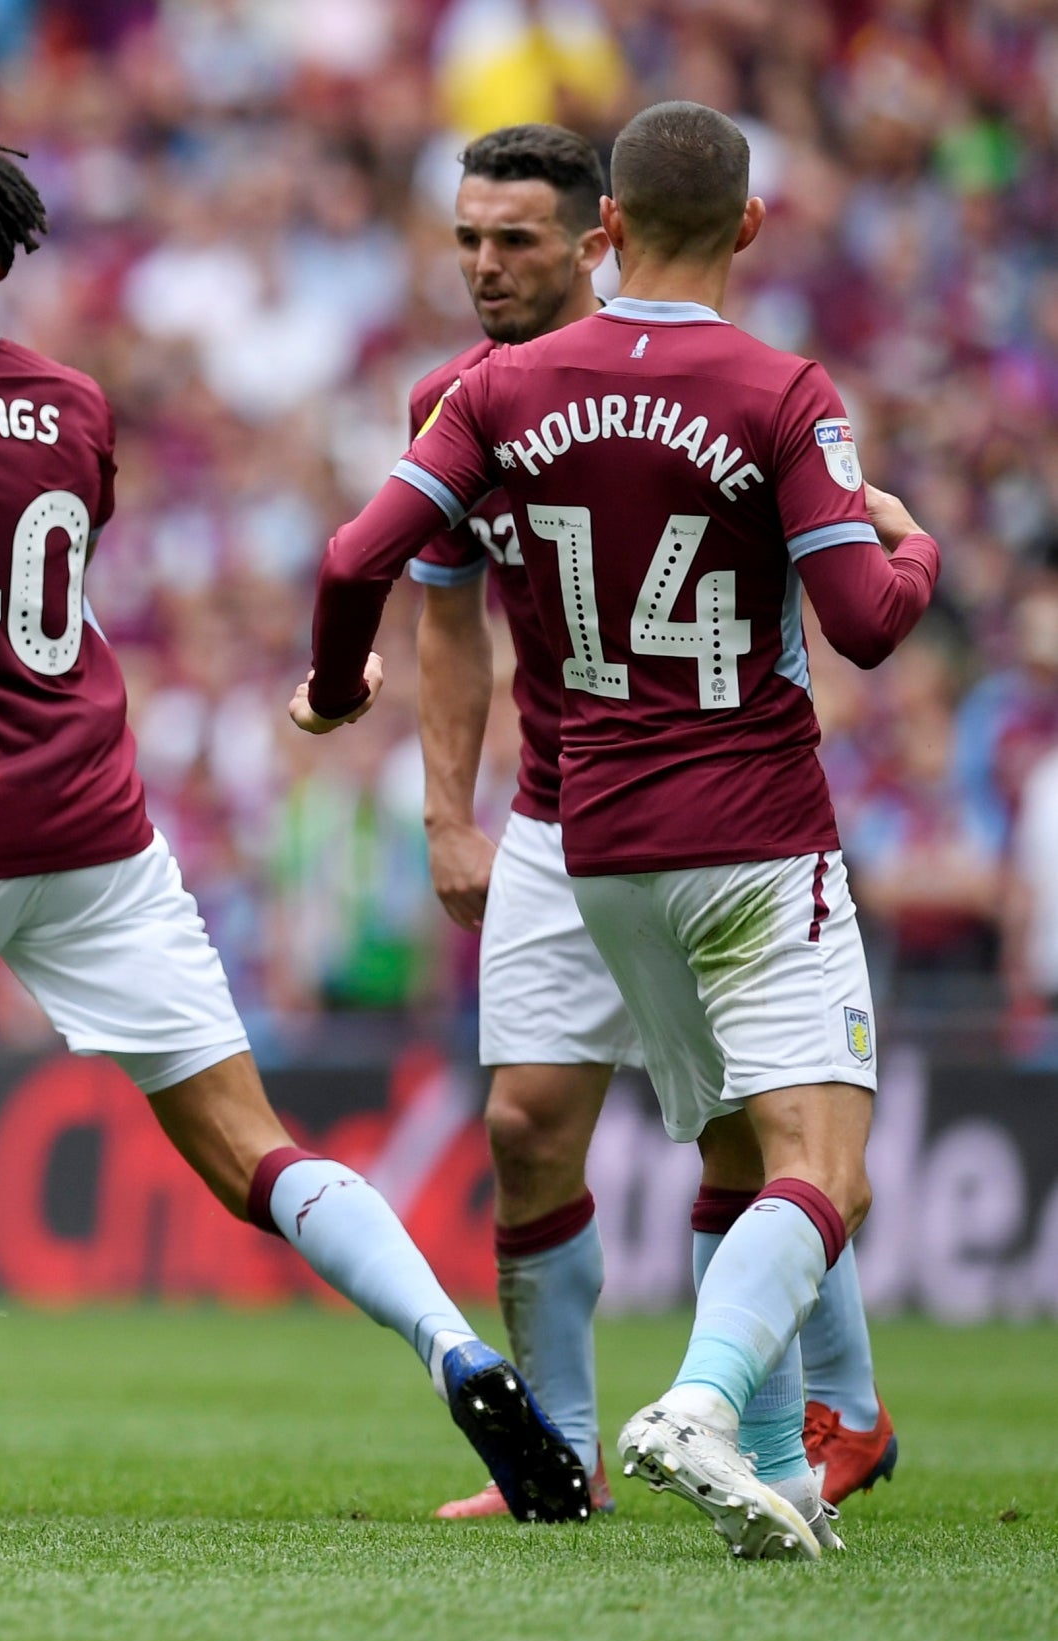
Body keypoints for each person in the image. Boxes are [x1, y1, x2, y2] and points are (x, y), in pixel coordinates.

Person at [0, 138, 586, 1531]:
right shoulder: (73, 403)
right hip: (95, 824)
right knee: (253, 1143)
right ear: (6, 265)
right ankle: (455, 1345)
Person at [298, 100, 941, 1560]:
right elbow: (446, 617)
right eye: (461, 239)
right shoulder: (498, 394)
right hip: (620, 815)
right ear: (750, 226)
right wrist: (444, 812)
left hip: (624, 831)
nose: (480, 264)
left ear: (598, 235)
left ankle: (809, 1420)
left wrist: (331, 691)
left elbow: (354, 563)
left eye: (511, 238)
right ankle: (614, 1445)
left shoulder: (511, 406)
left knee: (755, 1137)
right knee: (656, 1135)